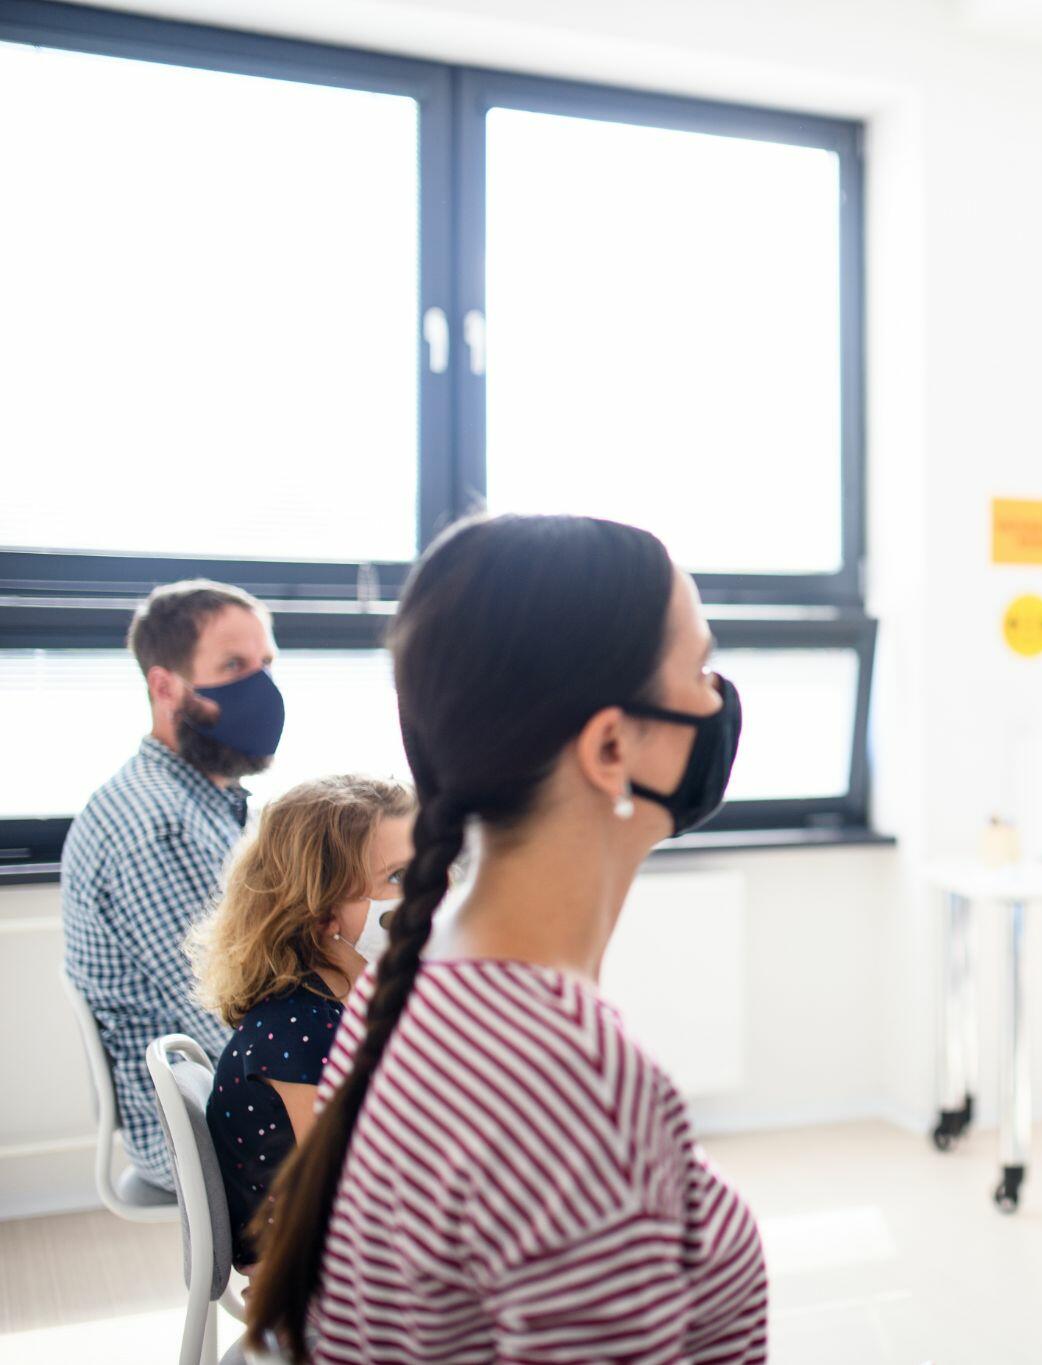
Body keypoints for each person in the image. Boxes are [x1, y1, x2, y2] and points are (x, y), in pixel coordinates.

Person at [244, 514, 765, 1364]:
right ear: (607, 744)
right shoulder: (578, 1083)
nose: (719, 699)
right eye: (701, 669)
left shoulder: (403, 979)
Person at [61, 579, 286, 1192]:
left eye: (265, 664)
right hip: (198, 1120)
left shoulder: (206, 802)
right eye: (233, 666)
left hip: (221, 1085)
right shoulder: (158, 825)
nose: (261, 687)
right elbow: (229, 1011)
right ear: (165, 686)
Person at [187, 775, 414, 1268]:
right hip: (309, 1269)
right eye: (397, 878)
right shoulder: (300, 1030)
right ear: (320, 914)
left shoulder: (354, 1000)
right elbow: (351, 1198)